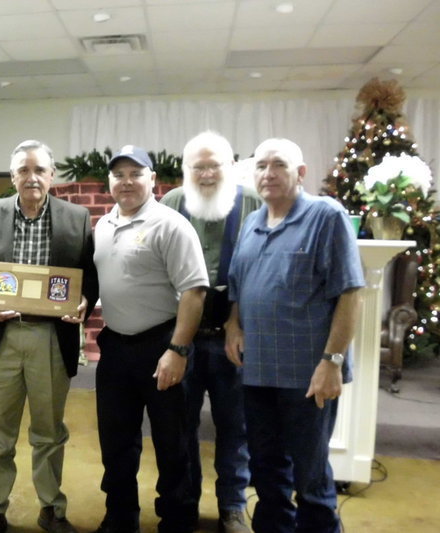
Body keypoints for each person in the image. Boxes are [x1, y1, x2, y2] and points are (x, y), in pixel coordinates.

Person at [0, 140, 99, 533]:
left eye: (39, 170)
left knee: (50, 432)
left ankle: (52, 507)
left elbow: (89, 278)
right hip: (2, 337)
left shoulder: (77, 218)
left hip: (51, 340)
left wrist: (85, 299)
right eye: (23, 170)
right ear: (12, 176)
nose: (31, 177)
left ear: (52, 176)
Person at [225, 138, 364, 533]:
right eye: (262, 166)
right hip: (257, 373)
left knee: (311, 478)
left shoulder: (326, 216)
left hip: (308, 376)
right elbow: (238, 285)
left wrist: (332, 362)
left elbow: (351, 293)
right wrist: (234, 323)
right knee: (267, 476)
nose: (268, 173)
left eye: (279, 165)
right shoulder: (252, 223)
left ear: (300, 173)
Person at [92, 145, 208, 533]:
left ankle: (177, 520)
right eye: (119, 175)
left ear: (152, 180)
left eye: (135, 174)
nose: (126, 182)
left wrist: (177, 350)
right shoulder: (103, 225)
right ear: (110, 181)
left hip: (161, 346)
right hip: (115, 348)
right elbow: (105, 279)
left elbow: (194, 291)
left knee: (173, 445)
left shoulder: (170, 224)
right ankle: (121, 518)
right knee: (116, 443)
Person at [160, 131, 260, 533]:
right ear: (186, 171)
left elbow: (257, 269)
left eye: (213, 164)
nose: (205, 173)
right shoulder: (170, 204)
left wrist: (238, 320)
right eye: (196, 166)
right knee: (180, 428)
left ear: (230, 167)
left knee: (236, 428)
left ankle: (233, 507)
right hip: (182, 340)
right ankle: (184, 505)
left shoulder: (252, 202)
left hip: (231, 339)